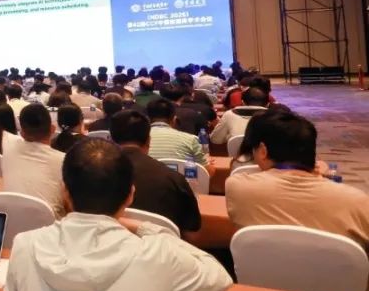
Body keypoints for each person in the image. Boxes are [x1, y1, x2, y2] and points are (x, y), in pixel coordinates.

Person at [4, 139, 231, 291]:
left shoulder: (25, 246)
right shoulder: (156, 254)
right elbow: (219, 278)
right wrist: (147, 228)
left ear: (65, 191)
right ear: (130, 195)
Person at [226, 110, 369, 248]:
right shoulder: (358, 202)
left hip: (263, 265)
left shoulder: (237, 186)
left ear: (263, 151)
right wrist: (318, 174)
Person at [109, 110, 201, 234]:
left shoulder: (92, 175)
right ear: (148, 141)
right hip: (163, 243)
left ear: (110, 140)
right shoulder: (173, 178)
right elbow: (192, 231)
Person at [0, 104, 65, 216]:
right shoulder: (63, 161)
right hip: (51, 225)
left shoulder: (8, 151)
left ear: (22, 133)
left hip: (11, 222)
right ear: (53, 129)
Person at [145, 98, 207, 166]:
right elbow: (204, 169)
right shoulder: (191, 140)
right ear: (174, 120)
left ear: (147, 119)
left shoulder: (139, 140)